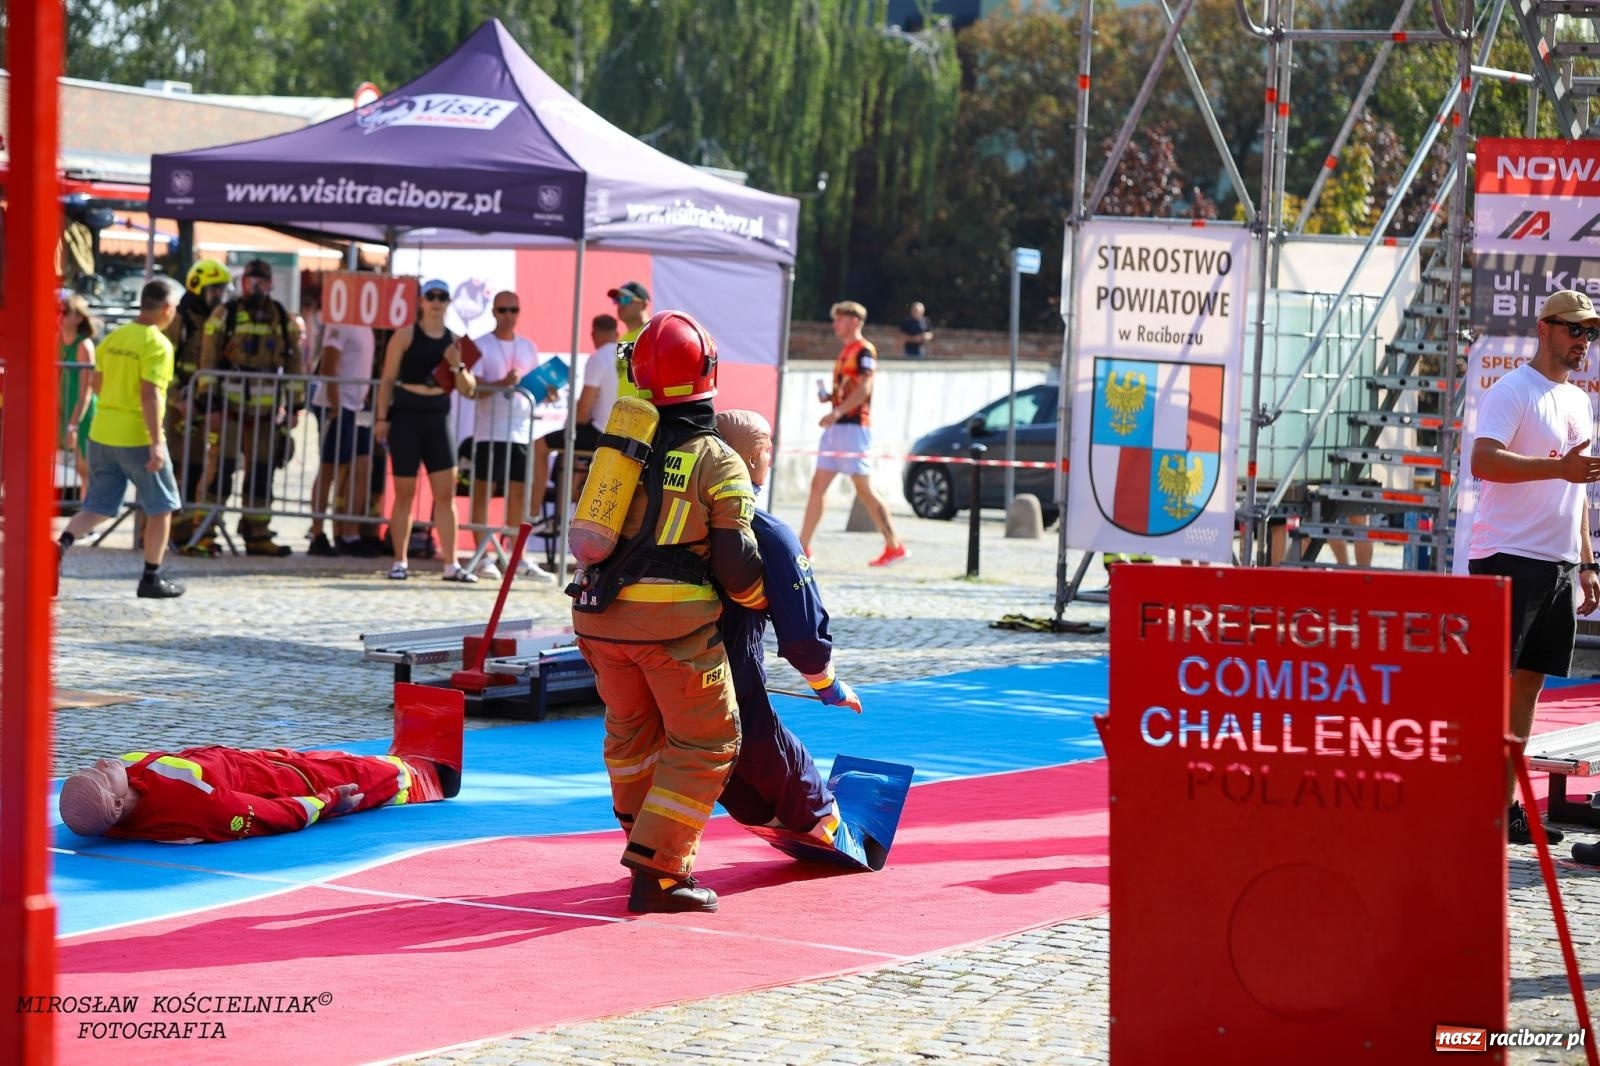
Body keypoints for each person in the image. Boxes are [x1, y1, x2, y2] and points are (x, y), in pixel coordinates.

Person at [568, 310, 767, 915]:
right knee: (707, 740)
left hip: (598, 622)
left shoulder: (620, 451)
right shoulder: (718, 459)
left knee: (630, 737)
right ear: (710, 372)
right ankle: (658, 873)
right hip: (674, 631)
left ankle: (639, 841)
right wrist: (766, 601)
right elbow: (736, 568)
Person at [1467, 289, 1600, 848]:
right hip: (1506, 559)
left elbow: (1580, 492)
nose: (1583, 343)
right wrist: (1558, 471)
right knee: (1488, 696)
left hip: (1559, 565)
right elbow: (1483, 461)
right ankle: (1471, 806)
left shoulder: (1580, 401)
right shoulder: (1513, 389)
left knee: (1528, 696)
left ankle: (1504, 809)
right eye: (1575, 330)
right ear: (1544, 328)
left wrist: (1590, 563)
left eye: (1589, 333)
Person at [714, 409, 860, 845]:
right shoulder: (764, 530)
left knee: (691, 755)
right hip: (724, 664)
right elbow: (802, 631)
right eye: (767, 453)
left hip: (642, 660)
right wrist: (829, 686)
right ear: (758, 457)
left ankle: (655, 859)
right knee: (758, 740)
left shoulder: (670, 520)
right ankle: (818, 822)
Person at [56, 698, 463, 842]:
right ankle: (419, 777)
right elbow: (269, 815)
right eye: (101, 775)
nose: (103, 764)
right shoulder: (193, 808)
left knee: (327, 757)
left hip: (254, 759)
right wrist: (326, 803)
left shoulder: (124, 782)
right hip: (276, 781)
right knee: (359, 773)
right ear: (115, 802)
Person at [56, 280, 186, 599]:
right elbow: (150, 394)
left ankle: (60, 546)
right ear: (167, 309)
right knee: (161, 507)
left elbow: (97, 384)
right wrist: (156, 442)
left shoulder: (112, 339)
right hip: (137, 435)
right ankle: (151, 578)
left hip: (101, 433)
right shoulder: (157, 344)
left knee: (98, 505)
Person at [192, 257, 304, 557]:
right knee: (221, 469)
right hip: (228, 407)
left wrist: (295, 406)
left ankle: (257, 533)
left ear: (271, 284)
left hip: (266, 414)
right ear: (242, 283)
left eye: (262, 281)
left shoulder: (281, 317)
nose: (256, 286)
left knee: (262, 472)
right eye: (250, 281)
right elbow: (209, 359)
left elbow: (294, 363)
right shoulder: (225, 313)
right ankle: (205, 531)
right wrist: (210, 403)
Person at [374, 277, 479, 582]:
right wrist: (382, 418)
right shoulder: (405, 336)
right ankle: (400, 561)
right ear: (421, 301)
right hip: (407, 415)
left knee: (445, 494)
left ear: (448, 302)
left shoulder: (456, 341)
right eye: (430, 296)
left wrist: (457, 365)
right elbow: (386, 380)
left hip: (437, 418)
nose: (436, 301)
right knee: (405, 493)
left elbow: (468, 389)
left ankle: (450, 564)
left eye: (442, 296)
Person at [798, 301, 907, 567]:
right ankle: (802, 548)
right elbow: (848, 389)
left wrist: (836, 412)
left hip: (854, 428)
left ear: (855, 321)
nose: (835, 324)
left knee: (864, 489)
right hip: (838, 428)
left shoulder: (864, 350)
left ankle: (894, 546)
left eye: (841, 319)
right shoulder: (846, 351)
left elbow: (865, 388)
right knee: (817, 486)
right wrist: (830, 399)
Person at [468, 290, 555, 583]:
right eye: (503, 310)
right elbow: (471, 385)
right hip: (489, 430)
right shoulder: (481, 344)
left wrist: (547, 392)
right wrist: (501, 383)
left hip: (520, 430)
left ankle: (514, 557)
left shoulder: (528, 347)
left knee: (518, 493)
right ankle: (481, 554)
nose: (508, 315)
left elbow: (534, 387)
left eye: (513, 310)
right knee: (483, 488)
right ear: (493, 312)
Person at [163, 258, 231, 555]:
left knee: (198, 469)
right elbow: (166, 364)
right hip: (180, 406)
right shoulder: (181, 320)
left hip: (204, 406)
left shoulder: (216, 319)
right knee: (178, 468)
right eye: (214, 289)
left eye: (221, 289)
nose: (218, 294)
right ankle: (171, 532)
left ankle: (191, 532)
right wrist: (179, 398)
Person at [528, 314, 619, 534]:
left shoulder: (598, 358)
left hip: (600, 433)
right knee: (569, 448)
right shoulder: (625, 355)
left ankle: (533, 515)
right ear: (617, 334)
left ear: (593, 334)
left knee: (542, 445)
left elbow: (584, 409)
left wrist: (578, 416)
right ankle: (563, 511)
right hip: (622, 433)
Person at [306, 299, 378, 558]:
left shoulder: (366, 323)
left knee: (361, 467)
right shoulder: (341, 321)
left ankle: (350, 532)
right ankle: (317, 533)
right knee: (331, 469)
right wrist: (335, 405)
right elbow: (329, 364)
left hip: (358, 407)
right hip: (341, 405)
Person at [57, 293, 100, 494]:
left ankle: (87, 516)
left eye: (65, 312)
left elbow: (86, 391)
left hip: (82, 413)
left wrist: (73, 424)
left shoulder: (84, 345)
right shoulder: (56, 339)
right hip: (62, 407)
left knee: (86, 470)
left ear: (79, 318)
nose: (60, 315)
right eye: (58, 311)